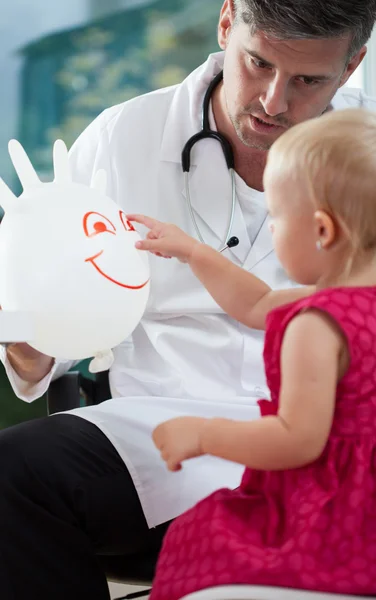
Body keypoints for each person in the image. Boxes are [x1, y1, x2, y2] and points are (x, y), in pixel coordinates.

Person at [0, 1, 376, 598]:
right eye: (258, 64)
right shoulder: (123, 137)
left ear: (353, 65)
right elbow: (49, 351)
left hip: (334, 448)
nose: (274, 101)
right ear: (227, 23)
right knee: (13, 472)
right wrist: (25, 324)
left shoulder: (367, 146)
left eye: (309, 81)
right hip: (157, 432)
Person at [132, 107, 376, 598]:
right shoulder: (342, 305)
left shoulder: (317, 323)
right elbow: (257, 302)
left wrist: (204, 434)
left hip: (338, 522)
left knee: (203, 536)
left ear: (323, 232)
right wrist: (194, 252)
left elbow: (297, 439)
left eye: (278, 218)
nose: (270, 231)